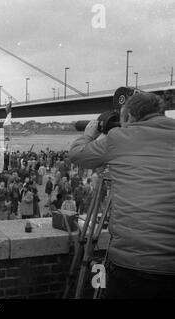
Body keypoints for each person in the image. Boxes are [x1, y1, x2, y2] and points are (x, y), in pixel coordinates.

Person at [68, 92, 175, 299]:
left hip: (132, 262)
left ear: (128, 117)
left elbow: (76, 155)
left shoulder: (118, 138)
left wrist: (90, 133)